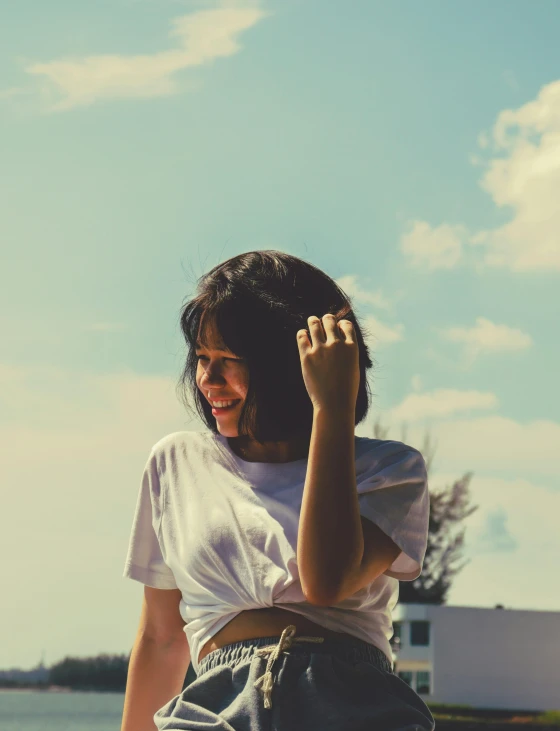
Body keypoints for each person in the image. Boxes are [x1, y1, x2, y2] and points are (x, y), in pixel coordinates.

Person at [120, 250, 435, 730]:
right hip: (212, 712)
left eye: (230, 360)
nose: (208, 380)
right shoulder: (175, 462)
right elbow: (161, 639)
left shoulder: (390, 469)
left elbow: (325, 581)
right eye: (202, 359)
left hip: (354, 708)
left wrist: (331, 408)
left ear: (290, 366)